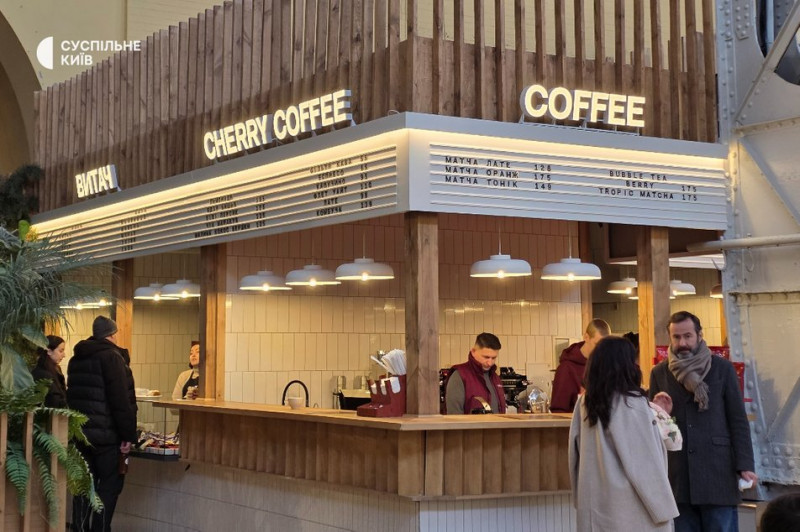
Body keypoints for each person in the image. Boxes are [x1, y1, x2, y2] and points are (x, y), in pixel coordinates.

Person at [649, 311, 757, 532]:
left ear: (699, 335)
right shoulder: (659, 373)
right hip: (678, 477)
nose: (682, 343)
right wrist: (660, 414)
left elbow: (737, 420)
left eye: (688, 336)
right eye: (676, 337)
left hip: (718, 474)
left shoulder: (723, 369)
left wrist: (745, 465)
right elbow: (653, 428)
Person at [569, 336, 679, 531]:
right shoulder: (632, 404)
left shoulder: (584, 402)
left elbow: (574, 456)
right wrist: (664, 511)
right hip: (631, 511)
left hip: (595, 508)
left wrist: (581, 499)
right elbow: (645, 464)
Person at [67, 316, 137, 532]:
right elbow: (120, 401)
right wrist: (128, 435)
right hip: (107, 438)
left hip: (81, 435)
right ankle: (100, 529)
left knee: (84, 487)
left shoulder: (76, 359)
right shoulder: (112, 358)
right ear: (112, 334)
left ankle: (79, 528)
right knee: (108, 486)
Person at [550, 319, 611, 413]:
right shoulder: (566, 369)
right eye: (597, 344)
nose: (601, 350)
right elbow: (558, 410)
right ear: (586, 337)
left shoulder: (606, 366)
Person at [445, 332, 506, 414]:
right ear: (473, 352)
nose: (490, 363)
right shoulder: (459, 376)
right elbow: (454, 416)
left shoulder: (495, 378)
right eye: (486, 357)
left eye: (493, 358)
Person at [32, 335, 68, 407]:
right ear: (49, 351)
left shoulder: (55, 370)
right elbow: (54, 402)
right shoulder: (43, 374)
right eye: (61, 351)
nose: (64, 355)